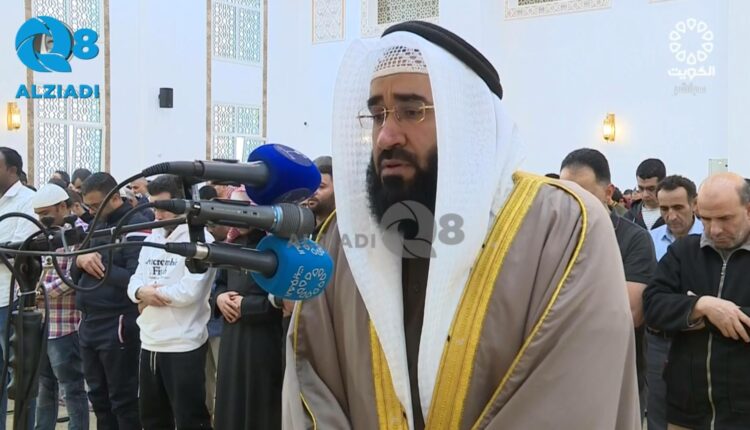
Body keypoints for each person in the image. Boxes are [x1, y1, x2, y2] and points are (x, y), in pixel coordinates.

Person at [283, 21, 639, 430]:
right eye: (378, 115)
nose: (385, 137)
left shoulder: (564, 227)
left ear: (467, 122)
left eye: (412, 111)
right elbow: (314, 381)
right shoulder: (343, 240)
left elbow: (568, 397)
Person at [643, 173, 750, 430]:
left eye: (725, 218)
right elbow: (653, 305)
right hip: (686, 411)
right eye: (705, 219)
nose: (714, 230)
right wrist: (701, 306)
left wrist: (692, 317)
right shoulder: (683, 252)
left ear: (748, 210)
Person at [560, 148, 657, 419]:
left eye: (583, 195)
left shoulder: (634, 239)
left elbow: (629, 313)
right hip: (561, 369)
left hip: (615, 370)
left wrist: (562, 306)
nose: (573, 203)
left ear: (608, 192)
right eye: (565, 193)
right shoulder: (553, 236)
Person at [127, 175, 215, 429]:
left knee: (190, 419)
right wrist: (141, 292)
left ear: (182, 204)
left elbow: (190, 292)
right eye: (154, 206)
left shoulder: (201, 241)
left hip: (183, 343)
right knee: (152, 420)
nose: (158, 215)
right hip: (150, 341)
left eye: (164, 207)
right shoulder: (151, 238)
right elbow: (134, 282)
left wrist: (149, 295)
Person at [72, 173, 149, 430]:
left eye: (96, 205)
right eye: (88, 206)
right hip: (89, 322)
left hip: (118, 323)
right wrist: (80, 260)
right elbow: (74, 273)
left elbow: (136, 278)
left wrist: (100, 265)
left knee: (123, 399)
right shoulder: (95, 224)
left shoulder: (136, 225)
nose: (91, 211)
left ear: (115, 197)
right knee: (98, 397)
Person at [214, 192, 284, 430]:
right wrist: (220, 298)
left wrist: (246, 306)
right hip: (232, 337)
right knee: (231, 400)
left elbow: (283, 300)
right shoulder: (231, 246)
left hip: (263, 341)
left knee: (260, 402)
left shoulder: (276, 247)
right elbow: (220, 283)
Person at [645, 174, 703, 430]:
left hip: (700, 341)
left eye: (678, 207)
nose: (671, 216)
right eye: (664, 209)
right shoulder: (649, 240)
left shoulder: (712, 238)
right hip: (659, 340)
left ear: (694, 204)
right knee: (657, 409)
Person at [31, 184, 89, 430]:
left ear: (63, 207)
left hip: (66, 325)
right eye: (38, 214)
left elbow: (73, 276)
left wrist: (40, 293)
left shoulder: (79, 234)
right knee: (45, 386)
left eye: (46, 213)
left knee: (72, 388)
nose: (41, 219)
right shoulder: (41, 236)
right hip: (42, 323)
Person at [0, 148, 38, 429]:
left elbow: (20, 250)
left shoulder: (27, 200)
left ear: (12, 169)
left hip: (10, 297)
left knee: (18, 376)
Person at [625, 158, 667, 230]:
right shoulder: (628, 218)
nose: (645, 195)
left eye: (651, 189)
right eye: (641, 188)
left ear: (663, 184)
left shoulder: (676, 215)